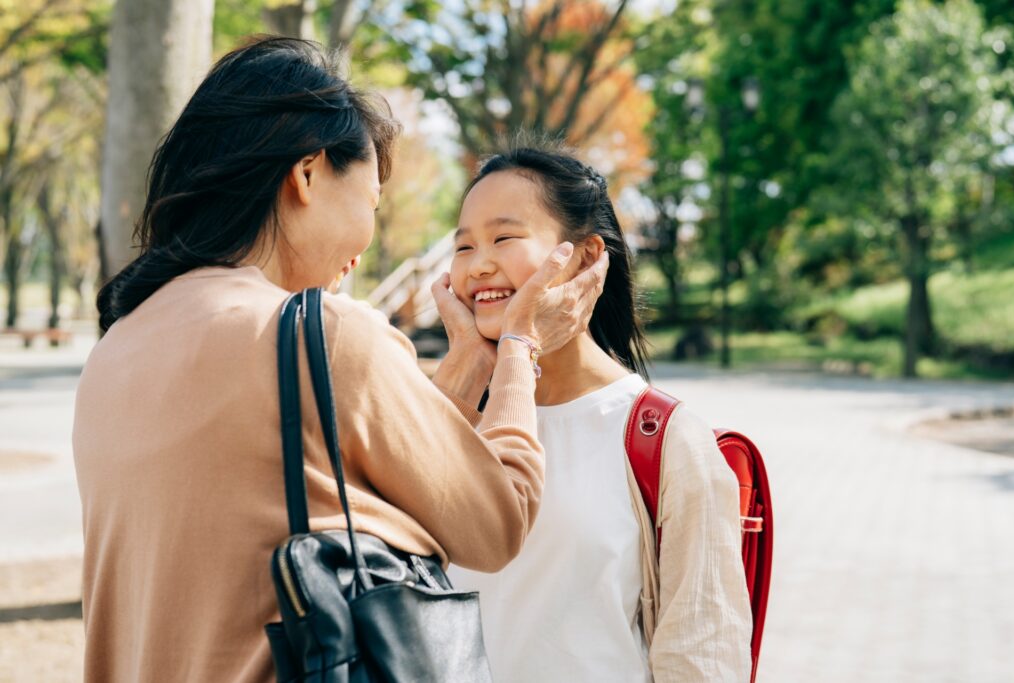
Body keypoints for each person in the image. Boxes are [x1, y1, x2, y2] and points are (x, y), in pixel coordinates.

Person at [72, 38, 608, 683]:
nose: (365, 245)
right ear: (308, 174)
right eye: (373, 202)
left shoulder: (116, 348)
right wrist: (523, 345)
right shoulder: (322, 336)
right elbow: (498, 521)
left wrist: (459, 381)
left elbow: (326, 475)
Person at [444, 140, 753, 682]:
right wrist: (464, 372)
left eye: (504, 238)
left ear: (586, 257)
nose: (479, 265)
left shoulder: (666, 440)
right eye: (463, 247)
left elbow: (702, 658)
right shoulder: (448, 418)